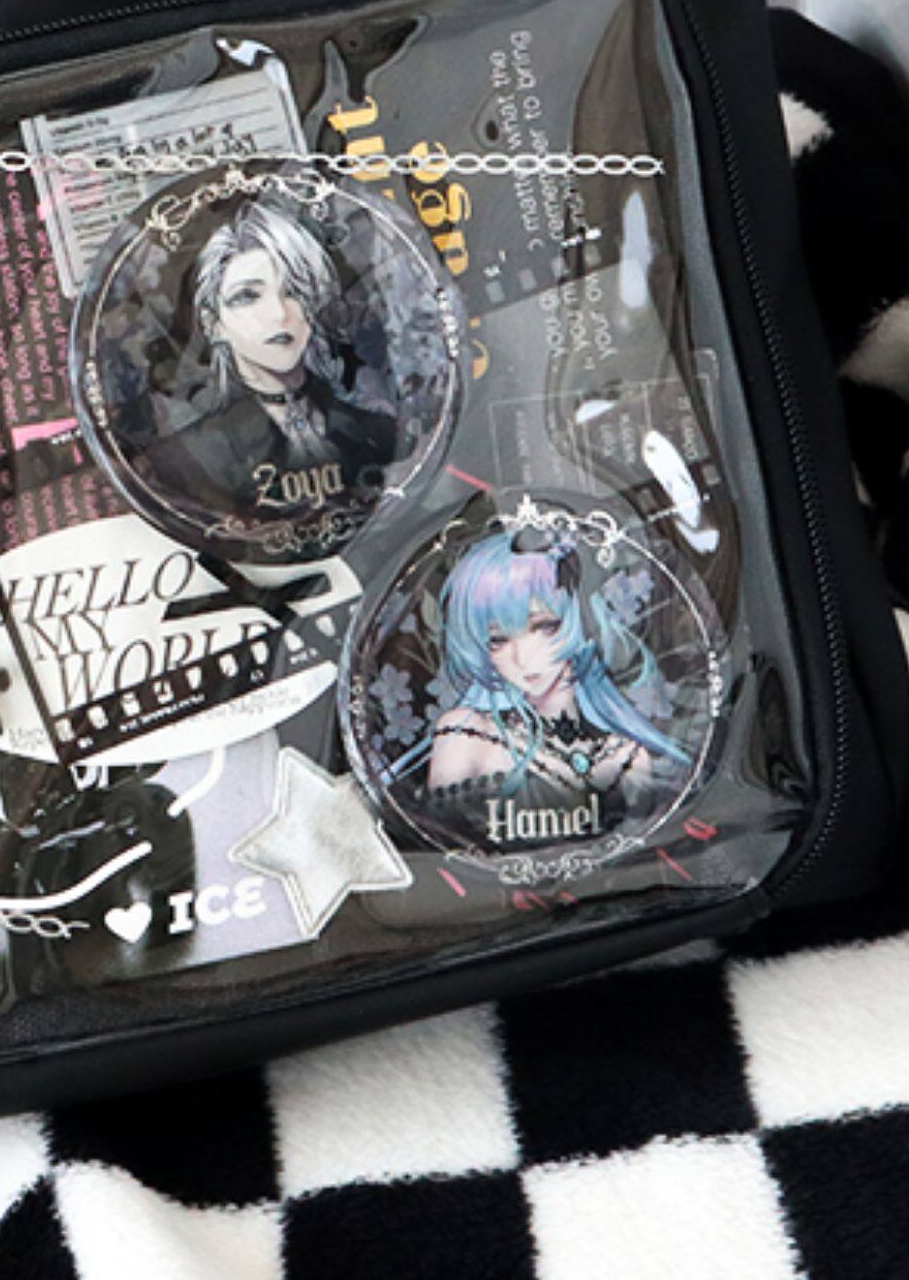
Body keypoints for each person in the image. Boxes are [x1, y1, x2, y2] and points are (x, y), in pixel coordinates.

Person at [399, 523, 688, 824]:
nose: (522, 658)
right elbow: (446, 842)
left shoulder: (626, 755)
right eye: (497, 640)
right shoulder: (466, 732)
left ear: (582, 619)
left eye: (544, 626)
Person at [147, 197, 397, 521]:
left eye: (293, 291)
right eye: (247, 296)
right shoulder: (185, 458)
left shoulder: (379, 432)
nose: (279, 313)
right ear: (213, 324)